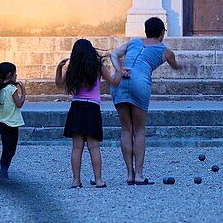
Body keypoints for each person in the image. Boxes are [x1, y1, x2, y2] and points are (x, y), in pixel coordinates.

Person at [109, 17, 182, 185]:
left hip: (119, 81)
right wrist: (184, 65)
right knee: (139, 130)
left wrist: (120, 70)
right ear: (162, 32)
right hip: (139, 82)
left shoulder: (133, 42)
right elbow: (176, 66)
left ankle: (129, 174)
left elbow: (113, 54)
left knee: (126, 129)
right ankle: (139, 175)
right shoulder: (166, 51)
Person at [55, 39, 123, 188]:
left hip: (77, 107)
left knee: (77, 147)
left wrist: (59, 68)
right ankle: (98, 180)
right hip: (92, 108)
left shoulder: (73, 68)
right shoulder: (97, 66)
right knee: (94, 146)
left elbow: (59, 84)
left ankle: (75, 180)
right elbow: (114, 82)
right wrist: (121, 70)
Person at [0, 61, 25, 179]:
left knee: (5, 149)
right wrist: (23, 92)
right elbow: (19, 104)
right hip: (12, 124)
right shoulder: (12, 89)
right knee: (11, 150)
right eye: (15, 74)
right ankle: (3, 172)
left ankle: (3, 171)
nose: (16, 76)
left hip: (2, 123)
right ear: (9, 75)